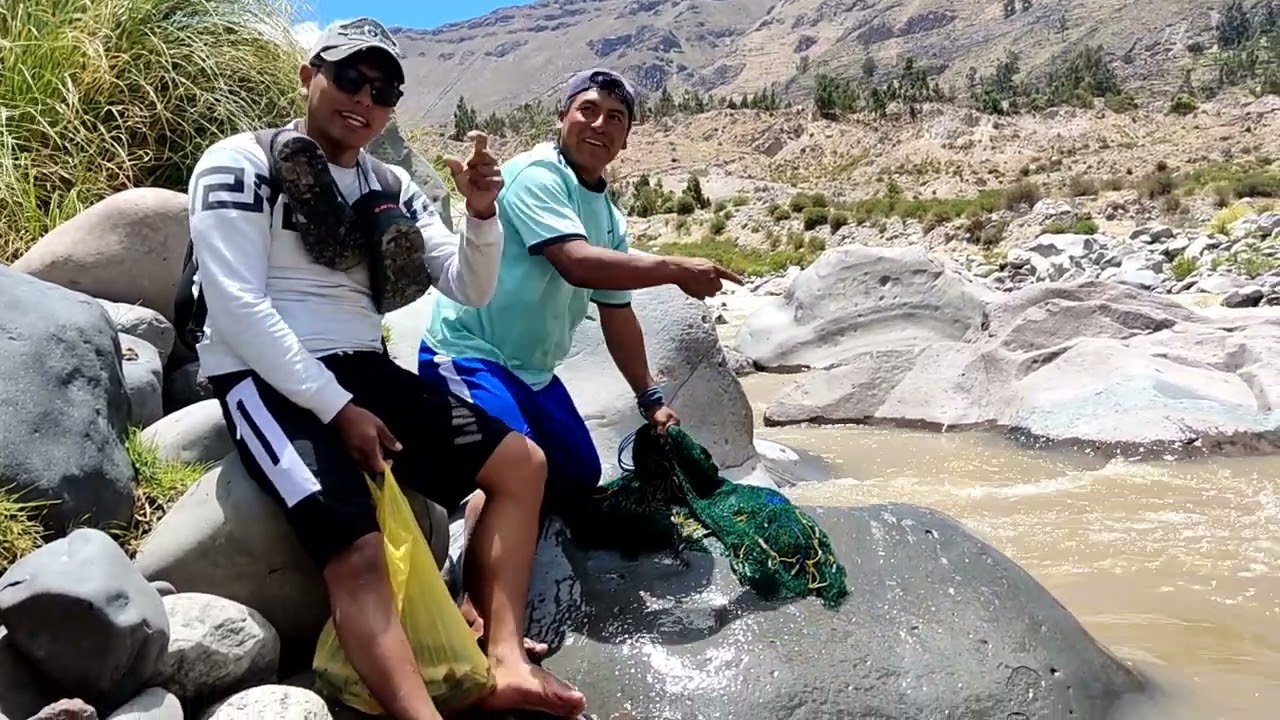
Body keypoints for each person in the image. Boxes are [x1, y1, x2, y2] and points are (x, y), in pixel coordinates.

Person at [184, 17, 586, 720]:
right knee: (359, 553)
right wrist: (336, 409)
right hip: (263, 376)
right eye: (349, 78)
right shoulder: (236, 162)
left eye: (384, 89)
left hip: (365, 367)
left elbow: (469, 285)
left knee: (522, 464)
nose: (365, 99)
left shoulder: (391, 182)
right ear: (310, 75)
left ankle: (507, 660)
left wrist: (483, 215)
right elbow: (238, 308)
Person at [416, 68, 742, 639]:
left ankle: (506, 530)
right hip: (468, 352)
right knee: (517, 467)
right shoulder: (535, 174)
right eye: (587, 110)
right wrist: (674, 267)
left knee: (578, 475)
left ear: (627, 138)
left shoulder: (610, 217)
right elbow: (575, 261)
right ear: (562, 117)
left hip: (534, 374)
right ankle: (477, 604)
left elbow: (617, 314)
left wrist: (651, 399)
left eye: (615, 118)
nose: (599, 125)